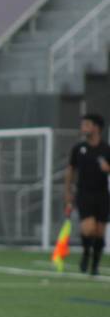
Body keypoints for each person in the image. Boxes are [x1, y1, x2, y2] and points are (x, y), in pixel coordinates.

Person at [65, 113, 110, 275]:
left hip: (103, 194)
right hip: (84, 193)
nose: (83, 127)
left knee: (99, 232)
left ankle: (95, 265)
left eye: (86, 124)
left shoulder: (106, 149)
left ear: (96, 127)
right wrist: (68, 191)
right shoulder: (79, 149)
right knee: (88, 228)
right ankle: (85, 254)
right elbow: (70, 170)